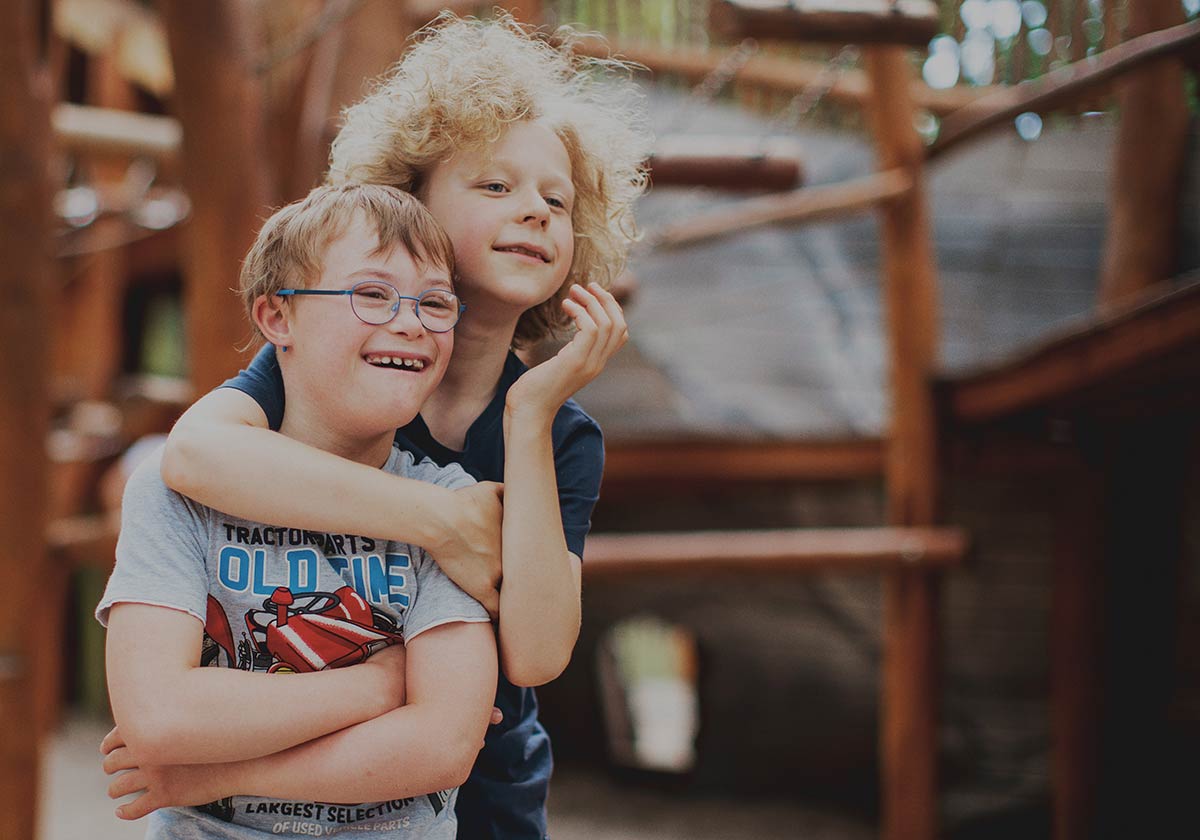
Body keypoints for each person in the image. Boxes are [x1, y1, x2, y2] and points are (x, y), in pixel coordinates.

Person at [147, 12, 650, 839]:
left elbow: (535, 654)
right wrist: (442, 523)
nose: (534, 211)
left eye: (556, 200)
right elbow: (197, 454)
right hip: (300, 784)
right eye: (496, 187)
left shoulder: (560, 432)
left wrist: (527, 418)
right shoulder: (333, 371)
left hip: (480, 799)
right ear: (409, 203)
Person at [97, 183, 498, 838]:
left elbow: (441, 747)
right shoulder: (172, 494)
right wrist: (376, 687)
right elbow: (161, 716)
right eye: (372, 293)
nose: (411, 322)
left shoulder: (454, 508)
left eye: (434, 302)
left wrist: (214, 774)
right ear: (278, 318)